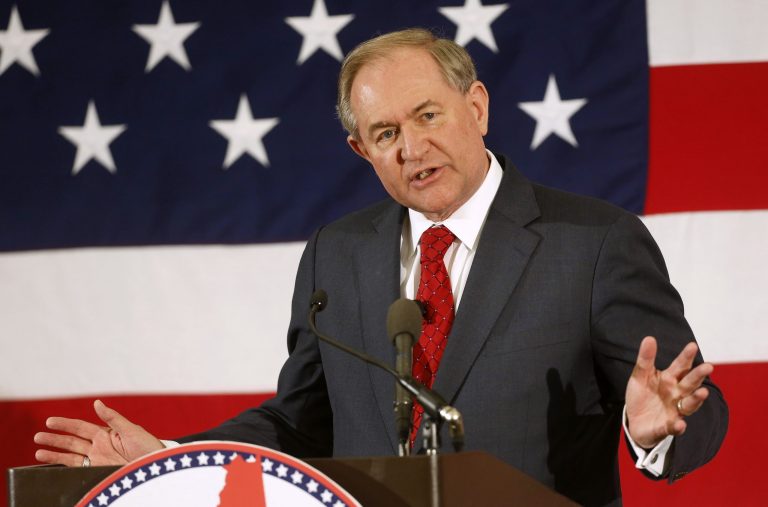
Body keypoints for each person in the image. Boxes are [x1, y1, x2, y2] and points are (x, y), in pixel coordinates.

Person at [34, 29, 727, 506]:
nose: (412, 146)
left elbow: (699, 410)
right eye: (386, 133)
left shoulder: (594, 242)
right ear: (361, 150)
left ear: (477, 107)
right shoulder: (338, 251)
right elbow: (301, 422)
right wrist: (170, 457)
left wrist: (648, 427)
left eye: (428, 115)